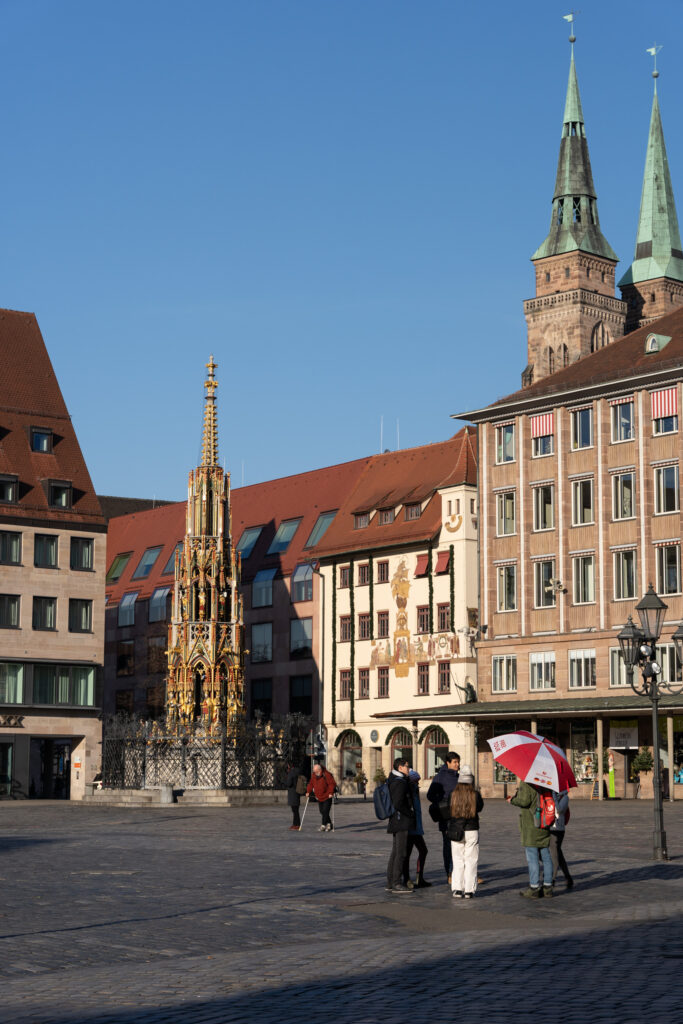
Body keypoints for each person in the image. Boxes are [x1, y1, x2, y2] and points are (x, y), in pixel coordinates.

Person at [508, 780, 553, 898]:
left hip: (531, 825)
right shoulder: (547, 782)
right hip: (544, 822)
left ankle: (534, 887)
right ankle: (548, 887)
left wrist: (512, 800)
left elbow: (524, 801)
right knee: (546, 856)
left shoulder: (527, 782)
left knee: (532, 857)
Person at [445, 764, 483, 899]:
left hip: (456, 830)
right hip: (472, 829)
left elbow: (449, 811)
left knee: (457, 860)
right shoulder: (475, 794)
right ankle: (469, 890)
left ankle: (457, 889)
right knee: (471, 860)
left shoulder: (453, 795)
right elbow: (480, 808)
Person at [426, 751, 460, 883]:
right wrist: (443, 801)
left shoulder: (459, 775)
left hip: (459, 816)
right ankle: (450, 873)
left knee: (461, 844)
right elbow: (430, 795)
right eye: (455, 762)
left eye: (458, 762)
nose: (457, 764)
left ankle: (464, 873)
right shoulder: (440, 777)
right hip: (446, 816)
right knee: (448, 845)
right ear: (448, 763)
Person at [386, 758, 416, 894]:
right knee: (400, 852)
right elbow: (398, 803)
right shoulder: (400, 782)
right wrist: (410, 813)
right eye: (406, 766)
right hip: (401, 820)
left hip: (396, 820)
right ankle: (396, 883)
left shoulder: (393, 779)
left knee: (395, 852)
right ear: (400, 768)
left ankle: (390, 881)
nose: (408, 769)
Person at [402, 769, 431, 889]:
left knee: (422, 851)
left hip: (416, 827)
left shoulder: (414, 791)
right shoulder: (408, 791)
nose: (417, 784)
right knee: (408, 853)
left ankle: (419, 878)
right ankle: (407, 879)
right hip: (410, 828)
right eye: (415, 781)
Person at [549, 788, 573, 888]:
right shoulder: (550, 795)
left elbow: (559, 810)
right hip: (549, 827)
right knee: (558, 854)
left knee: (554, 855)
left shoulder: (565, 797)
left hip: (558, 829)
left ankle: (551, 880)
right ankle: (568, 877)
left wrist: (554, 796)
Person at [306, 762, 337, 832]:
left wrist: (330, 792)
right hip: (319, 796)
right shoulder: (314, 775)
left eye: (315, 771)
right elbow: (311, 784)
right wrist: (308, 791)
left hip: (327, 796)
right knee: (322, 811)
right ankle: (329, 824)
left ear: (319, 770)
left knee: (325, 811)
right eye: (314, 771)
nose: (314, 772)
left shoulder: (326, 774)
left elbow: (332, 784)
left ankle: (323, 825)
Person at [286, 762, 305, 831]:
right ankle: (296, 824)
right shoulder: (298, 772)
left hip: (292, 792)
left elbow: (289, 783)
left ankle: (296, 824)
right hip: (297, 792)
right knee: (296, 810)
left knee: (294, 810)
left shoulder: (291, 773)